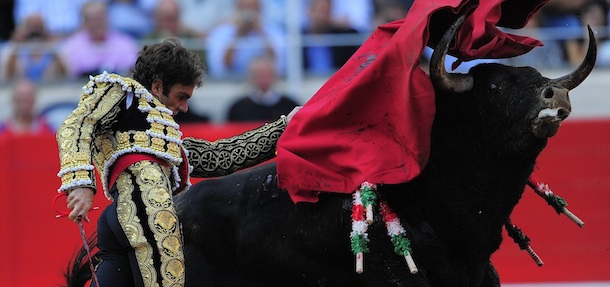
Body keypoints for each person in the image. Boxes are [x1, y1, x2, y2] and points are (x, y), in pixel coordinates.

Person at [56, 37, 299, 287]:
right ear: (158, 86)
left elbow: (218, 157)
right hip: (149, 207)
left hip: (119, 219)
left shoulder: (166, 141)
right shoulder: (125, 94)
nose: (183, 107)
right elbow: (77, 125)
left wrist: (282, 128)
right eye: (181, 96)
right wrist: (81, 183)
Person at [205, 0, 286, 78]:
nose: (248, 13)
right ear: (237, 9)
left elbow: (279, 63)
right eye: (245, 7)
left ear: (260, 9)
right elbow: (219, 68)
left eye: (252, 8)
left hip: (263, 83)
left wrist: (261, 32)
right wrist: (238, 35)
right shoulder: (221, 32)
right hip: (231, 82)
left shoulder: (273, 31)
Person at [58, 1, 140, 78]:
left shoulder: (125, 43)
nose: (97, 23)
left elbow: (132, 71)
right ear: (84, 21)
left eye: (100, 18)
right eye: (92, 19)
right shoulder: (70, 46)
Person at [227, 56, 299, 122]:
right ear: (250, 77)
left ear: (274, 75)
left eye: (266, 74)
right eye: (259, 74)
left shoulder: (289, 105)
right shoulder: (238, 108)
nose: (263, 79)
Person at [0, 14, 67, 82]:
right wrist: (16, 46)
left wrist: (52, 46)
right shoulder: (10, 49)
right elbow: (8, 76)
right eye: (32, 27)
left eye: (39, 27)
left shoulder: (55, 48)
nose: (35, 32)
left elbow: (66, 75)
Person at [302, 0, 360, 75]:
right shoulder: (299, 38)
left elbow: (355, 37)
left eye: (327, 12)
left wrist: (341, 25)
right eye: (321, 11)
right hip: (305, 83)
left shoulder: (337, 37)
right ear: (310, 11)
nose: (323, 16)